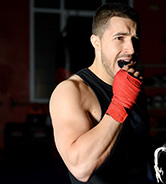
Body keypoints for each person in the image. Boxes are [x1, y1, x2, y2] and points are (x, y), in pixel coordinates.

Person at [49, 3, 153, 184]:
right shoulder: (71, 92)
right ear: (96, 42)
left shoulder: (134, 87)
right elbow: (81, 167)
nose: (131, 49)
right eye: (119, 38)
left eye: (135, 39)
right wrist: (120, 103)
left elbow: (134, 153)